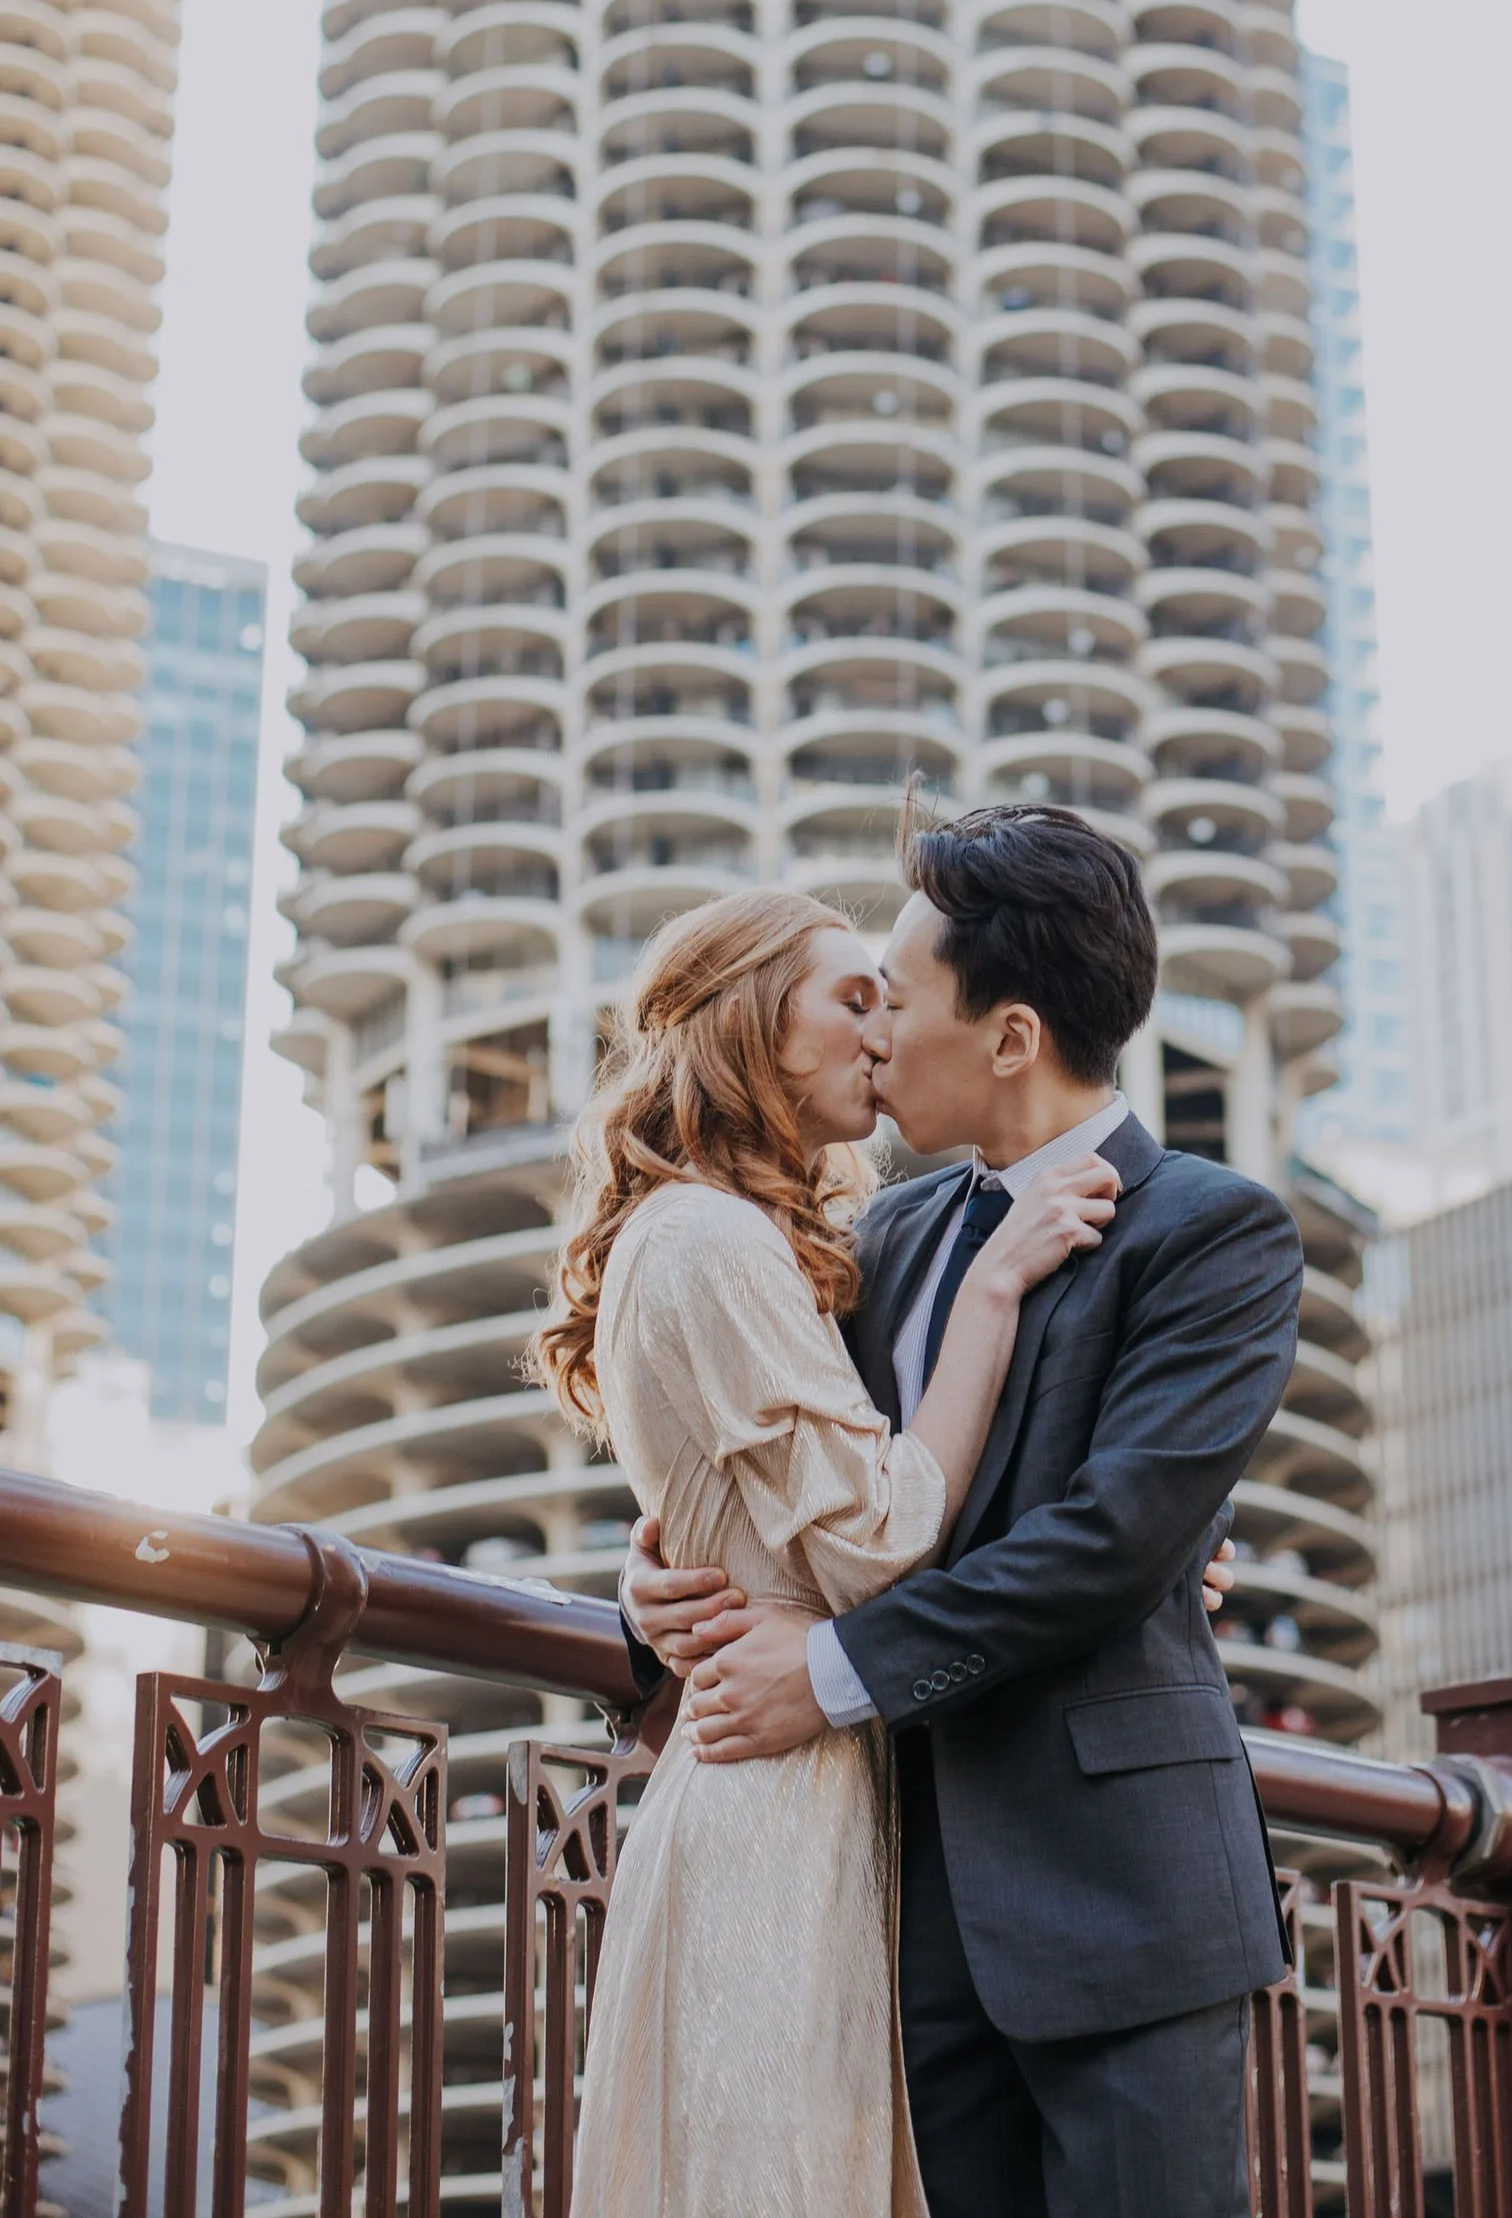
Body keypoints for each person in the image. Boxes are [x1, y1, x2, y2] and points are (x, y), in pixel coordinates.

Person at [620, 797, 1303, 2218]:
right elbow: (799, 1497)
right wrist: (655, 1590)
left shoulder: (1216, 1234)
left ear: (1010, 1037)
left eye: (901, 1001)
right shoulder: (880, 1235)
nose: (875, 1038)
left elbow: (1116, 1542)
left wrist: (827, 1675)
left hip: (1119, 1903)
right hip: (894, 1914)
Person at [528, 885, 1125, 2218]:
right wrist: (990, 1289)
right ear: (749, 1021)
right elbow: (875, 1541)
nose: (883, 1032)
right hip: (776, 1800)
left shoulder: (718, 1239)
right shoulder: (716, 1242)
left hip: (786, 1787)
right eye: (851, 998)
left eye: (890, 998)